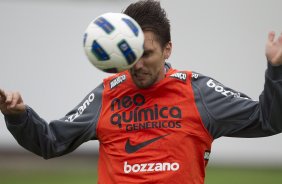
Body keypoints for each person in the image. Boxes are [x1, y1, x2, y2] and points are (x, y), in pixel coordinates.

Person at [1, 0, 282, 183]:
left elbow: (269, 120)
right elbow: (50, 141)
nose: (137, 65)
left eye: (146, 54)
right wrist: (18, 116)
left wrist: (276, 71)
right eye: (130, 54)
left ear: (167, 49)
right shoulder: (107, 94)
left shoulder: (199, 92)